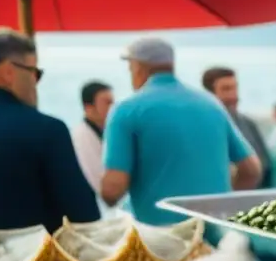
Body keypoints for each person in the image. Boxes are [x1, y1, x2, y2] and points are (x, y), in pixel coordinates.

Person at [101, 38, 261, 225]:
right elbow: (251, 171)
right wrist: (221, 203)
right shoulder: (211, 104)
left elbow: (113, 189)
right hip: (214, 233)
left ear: (138, 68)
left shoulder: (126, 110)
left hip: (160, 239)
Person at [0, 28, 98, 241]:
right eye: (34, 73)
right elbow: (85, 218)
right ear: (8, 72)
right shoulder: (47, 130)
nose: (35, 83)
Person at [203, 67, 273, 187]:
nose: (233, 96)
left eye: (235, 88)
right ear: (210, 94)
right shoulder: (204, 128)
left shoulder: (248, 124)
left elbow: (267, 168)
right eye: (226, 89)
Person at [71, 81, 116, 213]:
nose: (113, 107)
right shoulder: (81, 137)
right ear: (88, 107)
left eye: (113, 102)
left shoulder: (104, 132)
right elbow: (102, 188)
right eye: (107, 103)